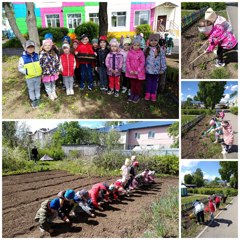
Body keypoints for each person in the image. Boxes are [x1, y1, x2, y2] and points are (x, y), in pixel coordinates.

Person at [18, 40, 42, 109]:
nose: (30, 48)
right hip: (29, 77)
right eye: (29, 47)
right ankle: (33, 100)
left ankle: (38, 98)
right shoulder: (22, 58)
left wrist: (41, 71)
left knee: (37, 87)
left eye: (32, 47)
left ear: (34, 48)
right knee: (31, 89)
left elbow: (40, 64)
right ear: (26, 48)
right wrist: (27, 72)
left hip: (38, 76)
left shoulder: (37, 56)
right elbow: (20, 68)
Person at [144, 33, 167, 102]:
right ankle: (148, 93)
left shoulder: (160, 50)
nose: (153, 42)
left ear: (158, 41)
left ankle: (153, 94)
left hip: (156, 70)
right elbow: (142, 59)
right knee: (148, 82)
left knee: (155, 82)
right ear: (149, 41)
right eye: (151, 40)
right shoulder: (146, 49)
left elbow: (163, 60)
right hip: (148, 70)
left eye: (155, 40)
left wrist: (162, 69)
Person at [126, 37, 145, 103]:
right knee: (133, 84)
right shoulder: (129, 52)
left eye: (138, 45)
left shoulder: (141, 53)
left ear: (140, 46)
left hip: (138, 73)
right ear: (132, 45)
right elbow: (127, 61)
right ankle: (132, 94)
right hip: (131, 72)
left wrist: (138, 70)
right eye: (135, 45)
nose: (136, 47)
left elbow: (142, 62)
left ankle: (137, 95)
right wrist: (130, 70)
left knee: (138, 85)